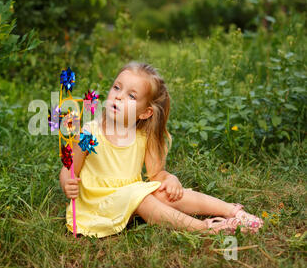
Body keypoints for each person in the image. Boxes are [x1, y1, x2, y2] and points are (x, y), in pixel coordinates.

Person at [59, 61, 263, 238]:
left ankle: (232, 211)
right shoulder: (89, 133)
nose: (118, 97)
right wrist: (67, 183)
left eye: (131, 95)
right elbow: (70, 168)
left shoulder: (143, 137)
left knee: (163, 192)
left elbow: (156, 174)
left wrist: (169, 178)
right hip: (99, 205)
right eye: (116, 88)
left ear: (146, 113)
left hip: (131, 199)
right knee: (143, 198)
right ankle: (206, 228)